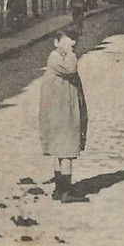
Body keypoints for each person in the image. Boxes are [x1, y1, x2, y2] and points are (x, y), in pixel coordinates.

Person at [39, 26, 89, 204]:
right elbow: (72, 67)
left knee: (59, 151)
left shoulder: (57, 58)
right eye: (66, 45)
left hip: (60, 111)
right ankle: (66, 191)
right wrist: (70, 53)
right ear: (56, 43)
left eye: (73, 45)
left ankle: (59, 189)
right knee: (66, 151)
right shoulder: (58, 59)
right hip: (62, 113)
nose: (70, 48)